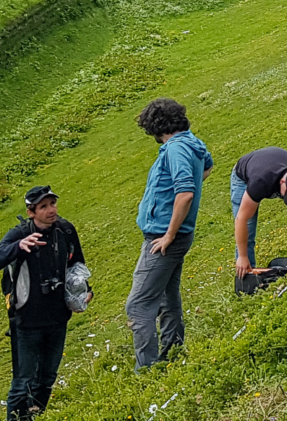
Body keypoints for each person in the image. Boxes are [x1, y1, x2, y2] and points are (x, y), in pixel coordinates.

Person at [0, 185, 91, 421]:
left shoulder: (65, 229)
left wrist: (85, 290)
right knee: (22, 382)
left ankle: (35, 416)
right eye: (43, 207)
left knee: (47, 379)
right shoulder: (19, 233)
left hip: (58, 317)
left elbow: (77, 263)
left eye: (52, 204)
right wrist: (18, 247)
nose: (51, 210)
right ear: (31, 211)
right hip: (27, 321)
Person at [127, 98, 213, 369]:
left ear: (156, 128)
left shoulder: (175, 149)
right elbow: (207, 167)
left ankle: (149, 369)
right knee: (167, 296)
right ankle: (174, 352)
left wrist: (168, 234)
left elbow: (185, 193)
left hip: (165, 238)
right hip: (178, 235)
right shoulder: (193, 143)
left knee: (138, 305)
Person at [231, 146, 287, 279]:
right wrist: (242, 256)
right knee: (248, 224)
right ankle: (247, 274)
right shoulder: (260, 181)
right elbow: (242, 219)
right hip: (244, 176)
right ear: (282, 182)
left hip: (273, 164)